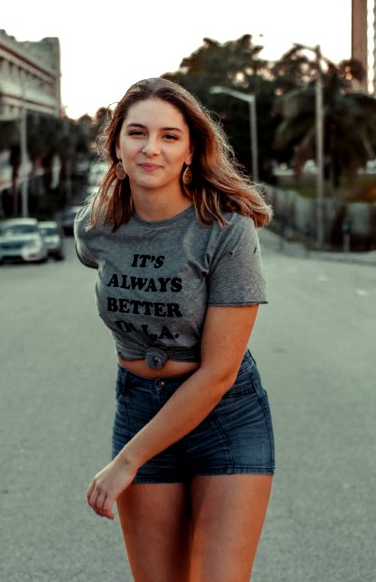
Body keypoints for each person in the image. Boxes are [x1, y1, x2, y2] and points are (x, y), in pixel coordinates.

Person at [74, 77, 274, 581]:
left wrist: (126, 461)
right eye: (137, 133)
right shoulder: (96, 227)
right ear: (117, 145)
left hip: (225, 417)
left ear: (190, 150)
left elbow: (219, 373)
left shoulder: (226, 229)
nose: (151, 148)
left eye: (169, 136)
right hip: (140, 404)